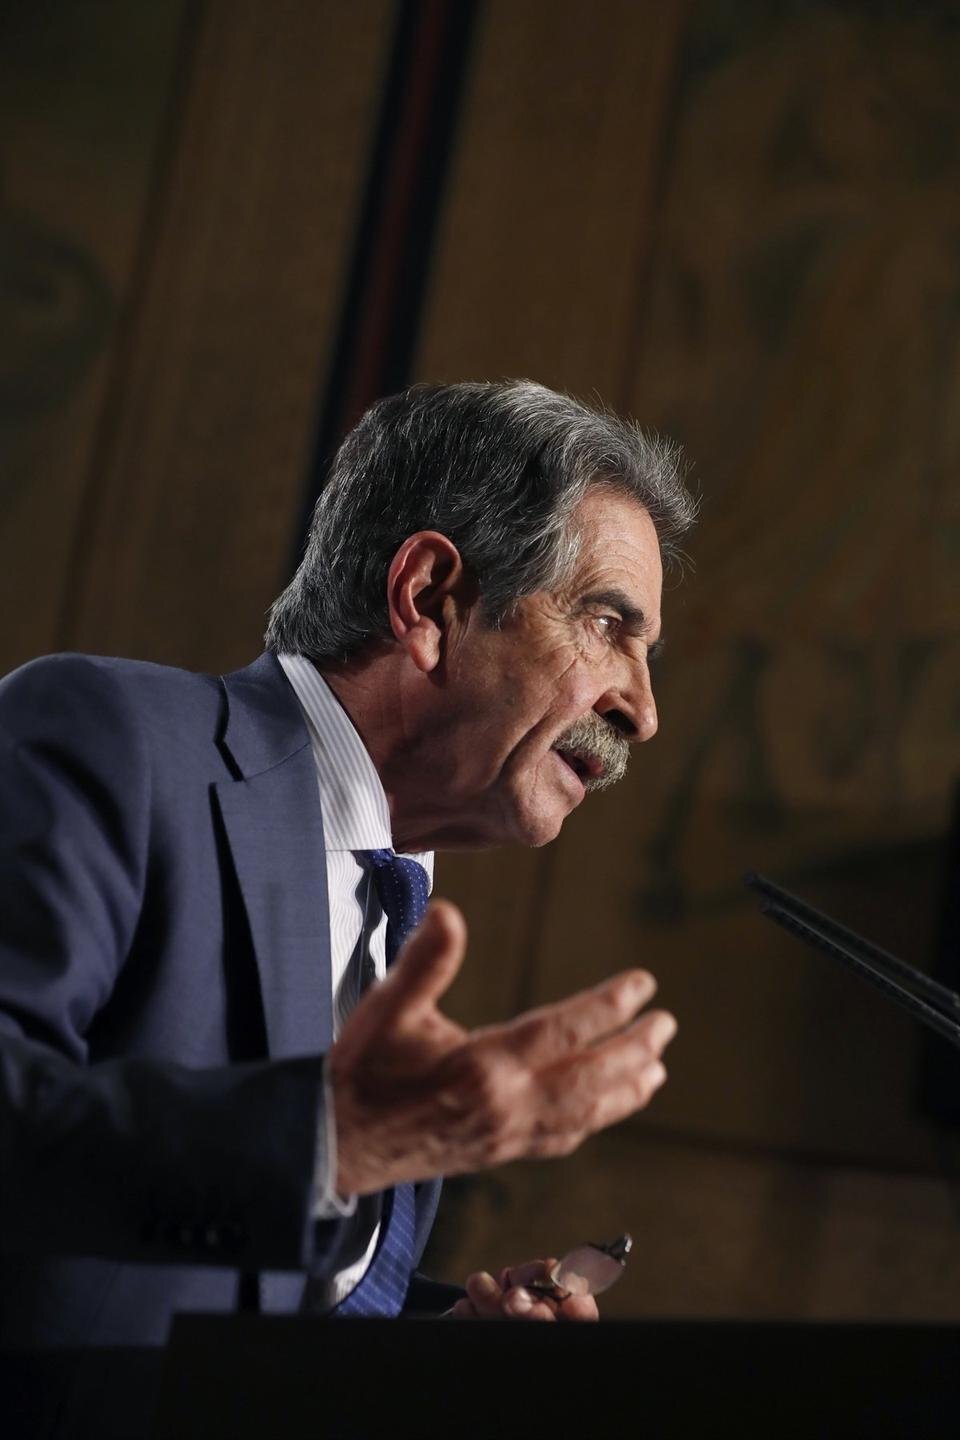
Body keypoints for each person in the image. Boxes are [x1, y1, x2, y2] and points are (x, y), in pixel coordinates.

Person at [0, 381, 695, 1421]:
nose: (642, 709)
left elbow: (252, 1307)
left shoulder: (401, 918)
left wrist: (430, 1357)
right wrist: (334, 1144)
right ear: (429, 598)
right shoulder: (116, 744)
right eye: (607, 625)